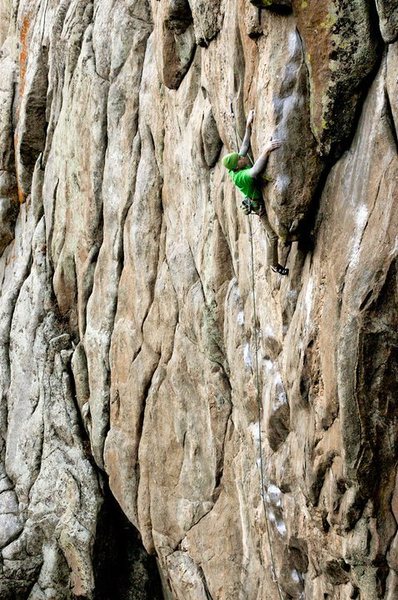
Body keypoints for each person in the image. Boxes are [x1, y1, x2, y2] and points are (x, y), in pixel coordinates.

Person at [222, 110, 288, 276]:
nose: (243, 157)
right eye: (240, 159)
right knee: (272, 236)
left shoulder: (234, 165)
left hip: (256, 197)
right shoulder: (240, 176)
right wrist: (266, 151)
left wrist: (248, 125)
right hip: (258, 206)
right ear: (237, 166)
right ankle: (274, 265)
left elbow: (244, 146)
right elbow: (254, 172)